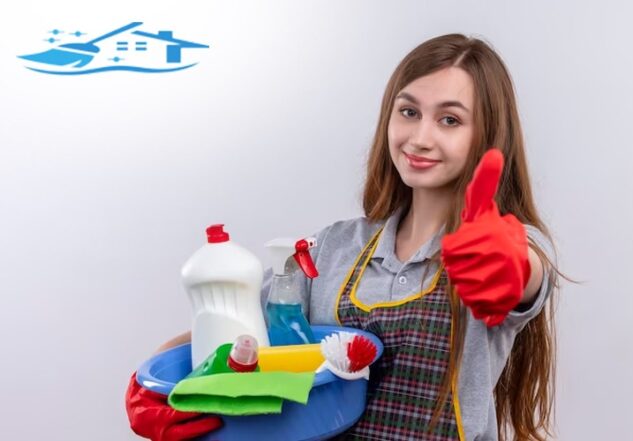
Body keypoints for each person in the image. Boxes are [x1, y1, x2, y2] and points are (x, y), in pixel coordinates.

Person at [126, 33, 565, 441]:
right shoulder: (334, 248)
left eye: (450, 120)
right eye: (408, 112)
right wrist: (153, 380)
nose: (420, 138)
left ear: (486, 134)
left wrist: (505, 266)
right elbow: (234, 334)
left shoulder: (507, 245)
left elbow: (526, 273)